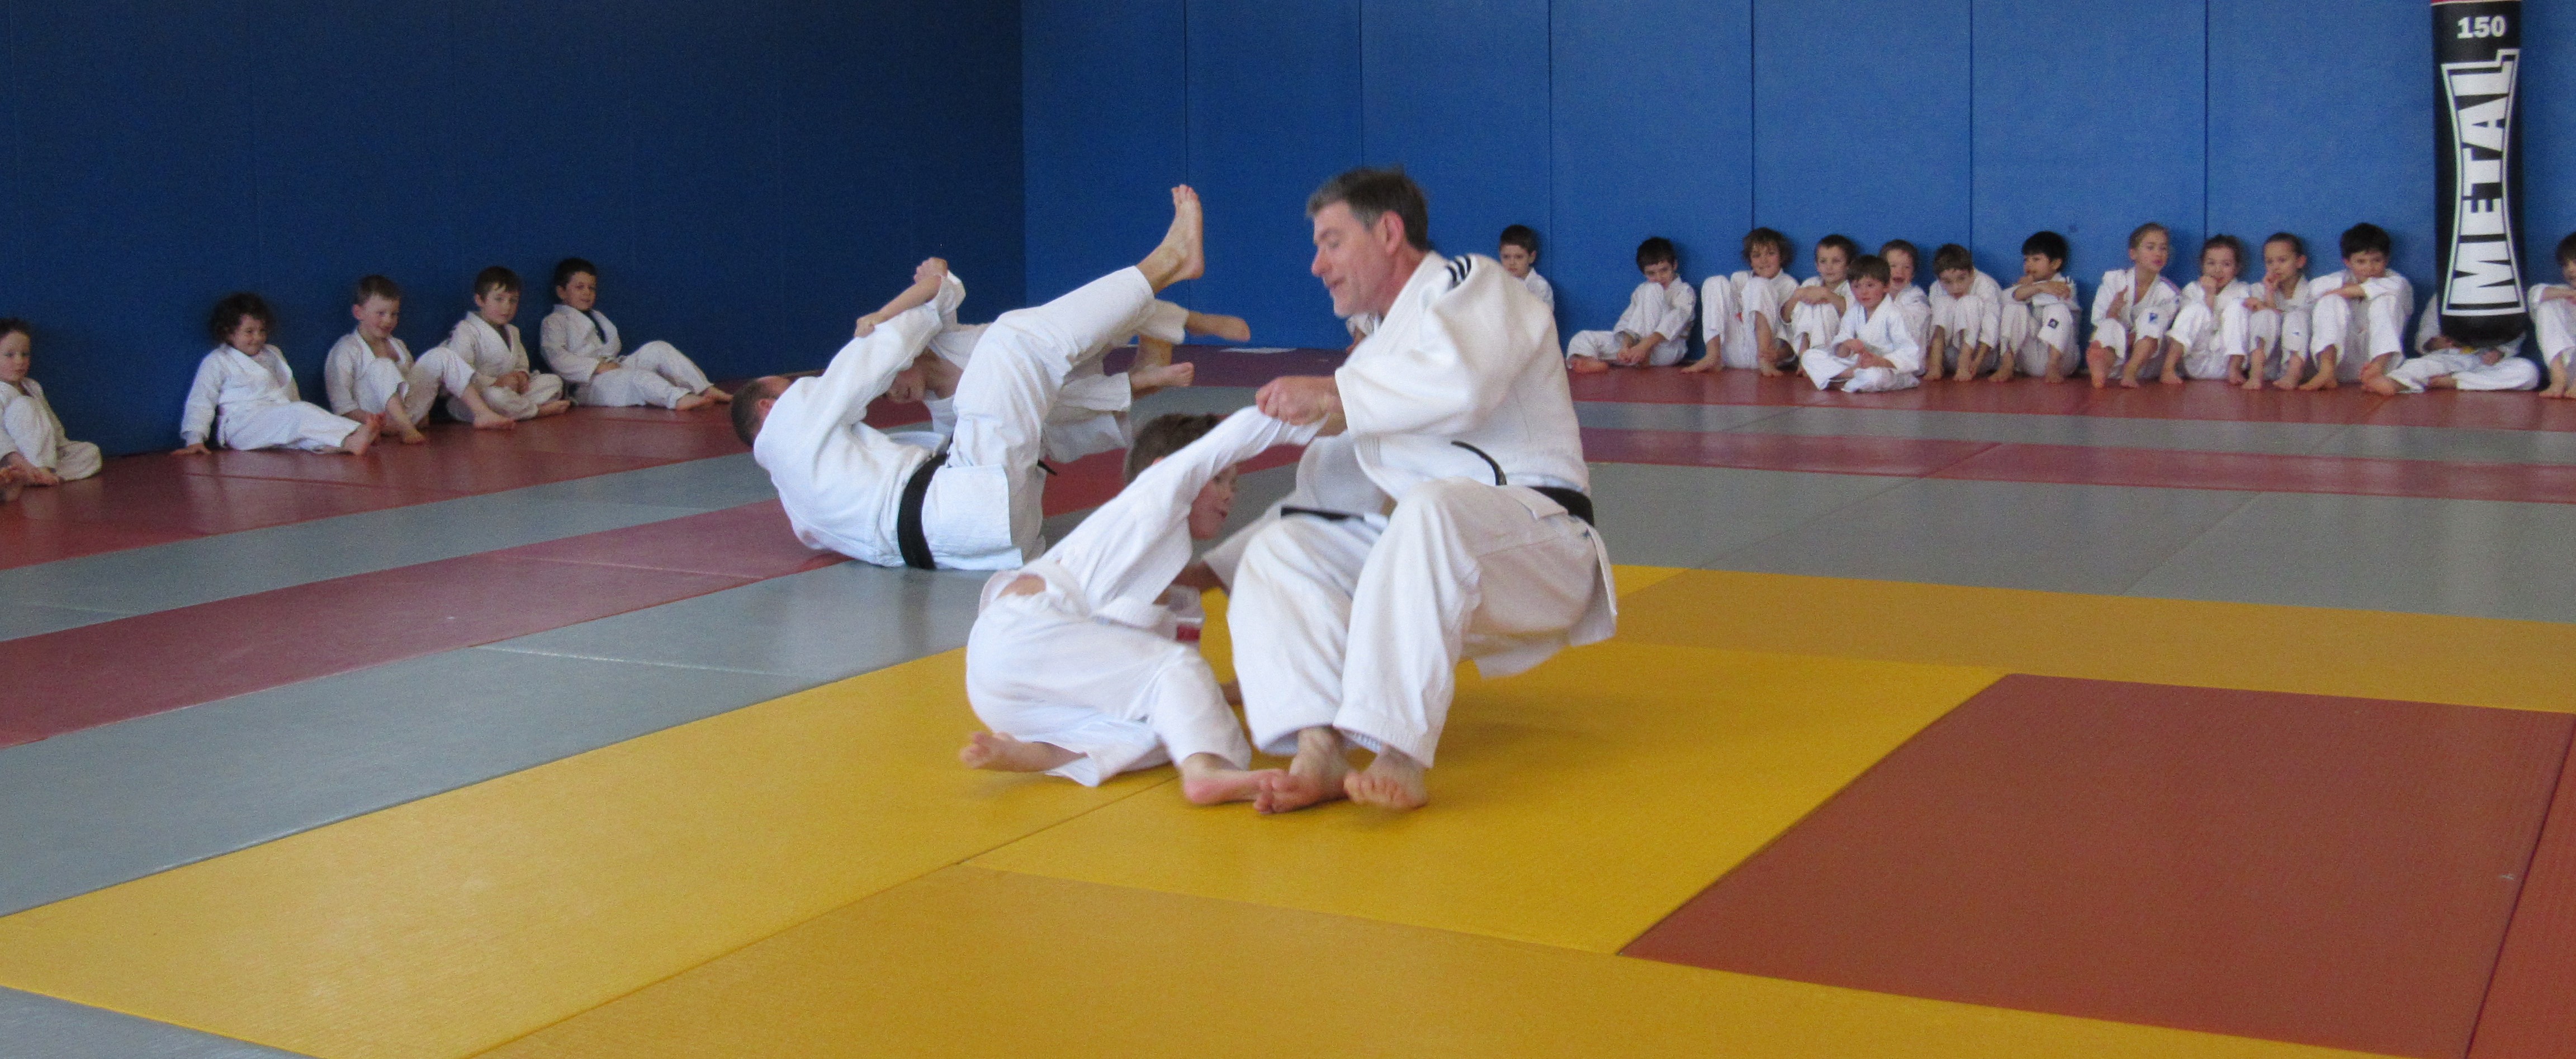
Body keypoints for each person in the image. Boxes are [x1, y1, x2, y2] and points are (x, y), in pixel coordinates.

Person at [1220, 167, 1614, 813]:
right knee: (1285, 547)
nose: (1317, 265)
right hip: (1439, 562)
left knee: (1431, 507)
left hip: (1542, 542)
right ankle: (1319, 745)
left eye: (1332, 242)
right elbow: (1330, 497)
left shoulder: (1473, 283)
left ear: (1389, 233)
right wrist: (1211, 568)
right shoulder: (1375, 357)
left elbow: (1464, 383)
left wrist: (1334, 393)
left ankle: (1399, 750)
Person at [735, 186, 1208, 571]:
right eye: (788, 388)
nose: (803, 389)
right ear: (767, 406)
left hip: (977, 543)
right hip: (961, 504)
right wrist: (921, 306)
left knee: (1031, 408)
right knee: (1012, 339)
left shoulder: (797, 507)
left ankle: (1143, 367)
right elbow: (873, 358)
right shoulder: (791, 422)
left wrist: (936, 298)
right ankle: (1168, 261)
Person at [961, 408, 1318, 803]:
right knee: (1177, 669)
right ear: (1163, 471)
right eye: (1218, 478)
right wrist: (1313, 410)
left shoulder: (1168, 583)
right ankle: (1204, 771)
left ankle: (1036, 754)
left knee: (1166, 726)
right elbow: (1230, 439)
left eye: (1234, 483)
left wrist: (1234, 691)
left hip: (1012, 699)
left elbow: (1167, 689)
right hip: (1022, 634)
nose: (1229, 493)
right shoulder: (1149, 502)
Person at [176, 293, 376, 455]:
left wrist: (295, 410)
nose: (257, 338)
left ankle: (348, 444)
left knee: (301, 433)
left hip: (276, 417)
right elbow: (201, 401)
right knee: (300, 414)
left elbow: (289, 389)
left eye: (262, 331)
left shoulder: (273, 354)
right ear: (228, 332)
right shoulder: (218, 361)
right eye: (249, 332)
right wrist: (195, 439)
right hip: (241, 426)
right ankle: (355, 430)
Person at [321, 275, 510, 441]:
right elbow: (342, 406)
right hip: (374, 419)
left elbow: (410, 386)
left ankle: (482, 413)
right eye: (381, 314)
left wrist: (423, 413)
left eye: (394, 314)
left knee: (441, 355)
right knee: (383, 365)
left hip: (406, 415)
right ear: (358, 313)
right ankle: (406, 429)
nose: (388, 320)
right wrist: (372, 421)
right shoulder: (346, 350)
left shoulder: (398, 345)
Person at [538, 258, 732, 411]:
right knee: (638, 378)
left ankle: (704, 388)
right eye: (579, 287)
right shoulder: (555, 321)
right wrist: (596, 367)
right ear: (561, 292)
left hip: (614, 367)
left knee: (658, 348)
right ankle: (677, 399)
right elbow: (557, 358)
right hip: (587, 384)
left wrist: (608, 364)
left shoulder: (597, 317)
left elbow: (612, 349)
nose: (587, 293)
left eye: (592, 288)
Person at [2289, 223, 2411, 391]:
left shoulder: (2397, 282)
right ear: (2347, 262)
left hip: (2383, 367)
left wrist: (2353, 290)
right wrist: (2343, 291)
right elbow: (2314, 290)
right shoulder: (2337, 279)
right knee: (2330, 300)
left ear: (2387, 259)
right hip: (2343, 362)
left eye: (2376, 260)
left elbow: (2392, 288)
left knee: (2385, 300)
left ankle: (2377, 368)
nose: (2369, 268)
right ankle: (2327, 370)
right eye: (2361, 262)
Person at [445, 267, 570, 420]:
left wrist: (521, 375)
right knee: (496, 397)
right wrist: (497, 382)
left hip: (511, 392)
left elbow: (521, 363)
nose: (507, 307)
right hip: (476, 397)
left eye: (513, 300)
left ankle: (515, 409)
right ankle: (536, 411)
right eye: (499, 299)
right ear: (480, 300)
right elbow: (459, 374)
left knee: (553, 382)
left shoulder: (512, 331)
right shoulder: (466, 330)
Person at [1565, 236, 1693, 371]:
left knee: (1653, 289)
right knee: (1584, 337)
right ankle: (1587, 359)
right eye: (1651, 273)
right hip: (1635, 348)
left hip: (1665, 349)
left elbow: (1675, 321)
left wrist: (1644, 346)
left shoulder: (1684, 291)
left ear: (1674, 265)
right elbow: (1629, 319)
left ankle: (1643, 355)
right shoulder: (1642, 290)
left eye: (1664, 270)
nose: (1659, 278)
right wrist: (1625, 346)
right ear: (1644, 273)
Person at [1798, 254, 1922, 392]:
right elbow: (1841, 353)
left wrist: (1879, 361)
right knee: (1809, 356)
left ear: (1886, 286)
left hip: (1888, 369)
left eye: (1870, 285)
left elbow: (1909, 353)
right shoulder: (1854, 311)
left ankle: (1844, 378)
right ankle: (1851, 375)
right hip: (1858, 365)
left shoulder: (1895, 314)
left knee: (1874, 376)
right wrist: (1848, 344)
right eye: (1857, 286)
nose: (1864, 292)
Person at [0, 319, 101, 486]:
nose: (19, 361)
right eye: (10, 355)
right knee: (25, 405)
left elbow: (50, 423)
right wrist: (18, 461)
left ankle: (30, 478)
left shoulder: (32, 386)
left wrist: (60, 446)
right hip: (9, 459)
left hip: (41, 456)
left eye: (25, 354)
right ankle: (33, 473)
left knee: (91, 453)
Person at [1688, 227, 1797, 374]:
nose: (1764, 260)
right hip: (1733, 352)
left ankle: (1764, 360)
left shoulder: (1789, 285)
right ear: (1750, 261)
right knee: (1714, 282)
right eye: (1757, 255)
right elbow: (1730, 312)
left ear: (1782, 256)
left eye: (1770, 254)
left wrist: (1778, 355)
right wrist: (1742, 315)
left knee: (1759, 284)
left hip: (1768, 353)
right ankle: (1712, 355)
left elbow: (1792, 334)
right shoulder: (1739, 278)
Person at [2086, 222, 2182, 389]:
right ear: (2133, 253)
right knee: (2108, 325)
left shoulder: (2170, 294)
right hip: (2115, 359)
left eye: (2163, 248)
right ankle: (2100, 369)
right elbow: (2098, 325)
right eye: (2150, 247)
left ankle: (2131, 369)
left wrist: (2129, 338)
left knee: (2153, 315)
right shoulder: (2114, 281)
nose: (2158, 253)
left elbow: (2159, 331)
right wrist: (2113, 311)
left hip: (2147, 364)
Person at [2366, 303, 2540, 394]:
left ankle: (2456, 381)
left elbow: (2517, 331)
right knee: (2422, 365)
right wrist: (2434, 344)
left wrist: (2501, 351)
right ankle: (2396, 382)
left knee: (2528, 372)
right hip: (2451, 356)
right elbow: (2426, 333)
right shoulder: (2444, 294)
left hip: (2487, 361)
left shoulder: (2501, 291)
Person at [2163, 235, 2255, 383]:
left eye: (2226, 264)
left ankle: (2235, 368)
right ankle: (2168, 368)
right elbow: (2190, 326)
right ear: (2202, 265)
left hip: (2225, 363)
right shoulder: (2192, 290)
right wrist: (2210, 296)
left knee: (2239, 306)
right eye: (2211, 263)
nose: (2218, 270)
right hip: (2194, 362)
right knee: (2196, 309)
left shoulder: (2243, 290)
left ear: (2237, 268)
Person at [1997, 230, 2078, 381]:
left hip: (2063, 361)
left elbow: (2049, 298)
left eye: (2036, 259)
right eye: (2026, 260)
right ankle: (2007, 364)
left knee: (2057, 309)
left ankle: (2052, 365)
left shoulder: (2066, 285)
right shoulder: (2029, 286)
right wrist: (2038, 287)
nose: (2029, 265)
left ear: (2055, 263)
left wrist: (2030, 290)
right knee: (2013, 307)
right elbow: (2005, 298)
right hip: (2031, 360)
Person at [2246, 233, 2316, 391]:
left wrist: (2265, 305)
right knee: (2265, 315)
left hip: (2301, 364)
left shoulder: (2311, 291)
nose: (2275, 267)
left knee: (2297, 316)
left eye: (2282, 260)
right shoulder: (2258, 290)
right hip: (2269, 364)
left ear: (2300, 261)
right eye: (2270, 262)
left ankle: (2293, 373)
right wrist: (2269, 295)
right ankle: (2256, 372)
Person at [1924, 243, 2004, 381]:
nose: (1956, 288)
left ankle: (1964, 361)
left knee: (1968, 302)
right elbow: (1934, 327)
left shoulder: (1986, 285)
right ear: (1939, 279)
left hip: (1979, 358)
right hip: (1949, 357)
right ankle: (1936, 365)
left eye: (1961, 279)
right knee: (1943, 302)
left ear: (1971, 273)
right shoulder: (1936, 288)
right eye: (1947, 282)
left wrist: (1976, 362)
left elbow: (1992, 328)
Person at [1786, 234, 1859, 360]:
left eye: (1836, 261)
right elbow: (1786, 317)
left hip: (1836, 346)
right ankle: (1805, 357)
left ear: (1849, 265)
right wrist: (1797, 296)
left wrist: (1826, 294)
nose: (1829, 267)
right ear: (1817, 265)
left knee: (1824, 308)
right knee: (1806, 305)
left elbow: (1852, 314)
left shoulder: (1852, 286)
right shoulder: (1810, 283)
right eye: (1823, 261)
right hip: (1806, 344)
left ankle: (1814, 359)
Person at [2534, 234, 2576, 398]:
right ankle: (2559, 379)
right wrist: (2570, 294)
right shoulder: (2562, 295)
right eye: (2565, 265)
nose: (2570, 269)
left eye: (2575, 262)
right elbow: (2536, 294)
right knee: (2547, 305)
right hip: (2570, 371)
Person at [1879, 240, 1931, 352]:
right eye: (1893, 266)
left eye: (1907, 267)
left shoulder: (1918, 299)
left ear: (1913, 274)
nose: (1899, 271)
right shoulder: (1875, 294)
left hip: (1907, 357)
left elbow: (1910, 333)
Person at [1498, 225, 1554, 308]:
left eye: (1519, 257)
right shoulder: (1497, 283)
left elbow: (1539, 315)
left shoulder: (1539, 287)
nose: (1512, 263)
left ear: (1531, 257)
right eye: (1506, 257)